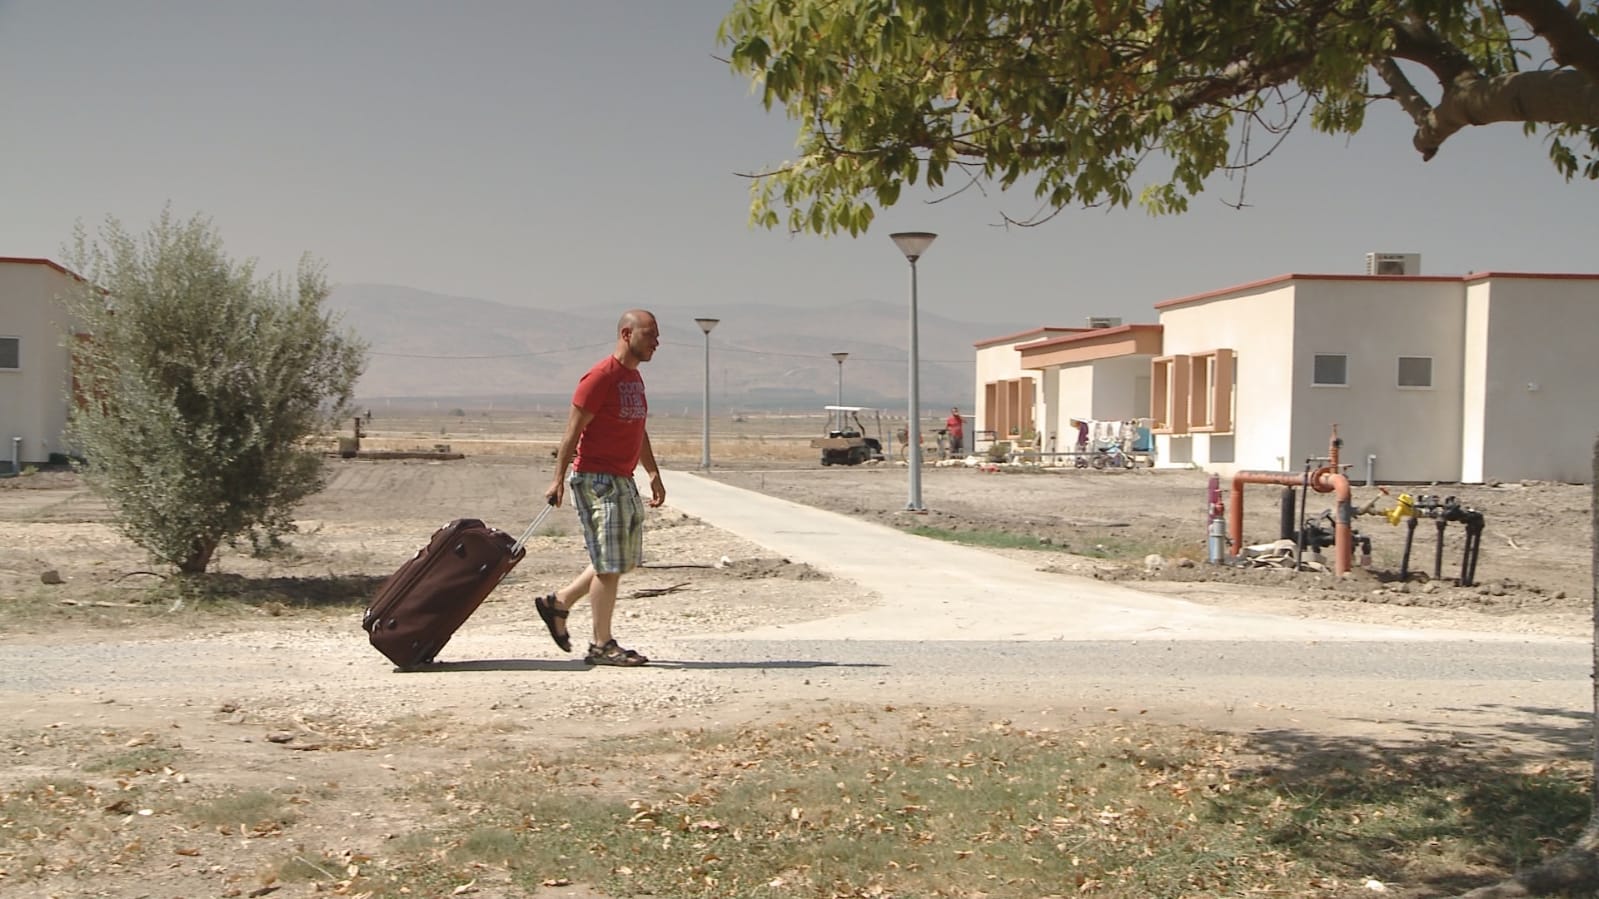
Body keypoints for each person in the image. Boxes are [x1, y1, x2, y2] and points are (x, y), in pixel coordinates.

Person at [534, 309, 665, 667]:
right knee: (609, 563)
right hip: (596, 480)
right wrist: (557, 478)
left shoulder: (633, 380)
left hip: (623, 479)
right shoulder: (599, 377)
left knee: (618, 559)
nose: (657, 342)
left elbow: (637, 428)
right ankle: (601, 644)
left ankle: (558, 603)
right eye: (650, 335)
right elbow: (572, 432)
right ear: (627, 334)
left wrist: (652, 472)